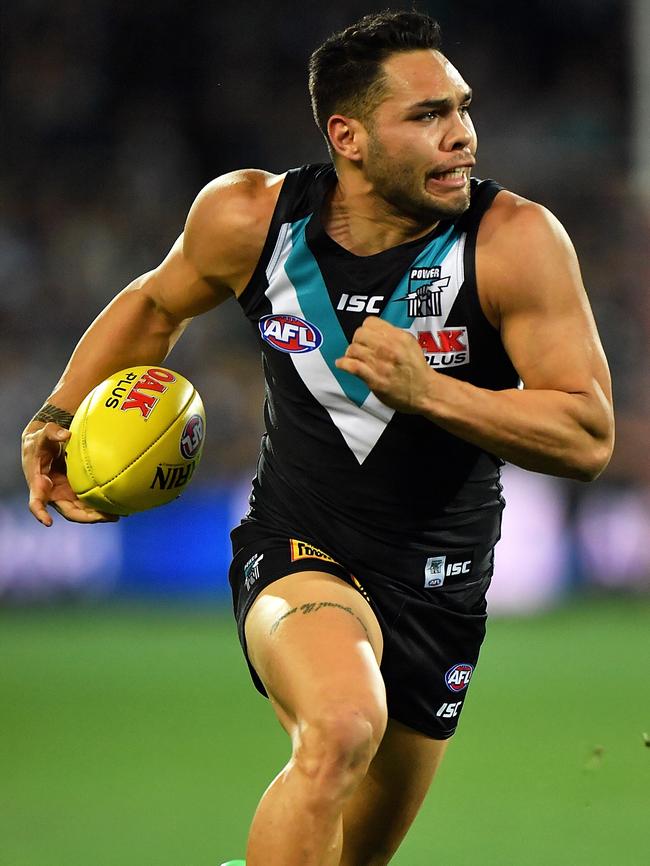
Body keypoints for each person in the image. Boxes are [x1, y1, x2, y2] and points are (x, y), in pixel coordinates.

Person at [21, 10, 614, 866]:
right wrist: (57, 414)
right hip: (299, 546)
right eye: (428, 116)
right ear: (350, 136)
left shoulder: (514, 243)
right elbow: (155, 304)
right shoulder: (249, 219)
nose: (464, 137)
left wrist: (430, 392)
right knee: (340, 729)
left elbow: (588, 433)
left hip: (441, 589)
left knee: (345, 857)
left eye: (463, 108)